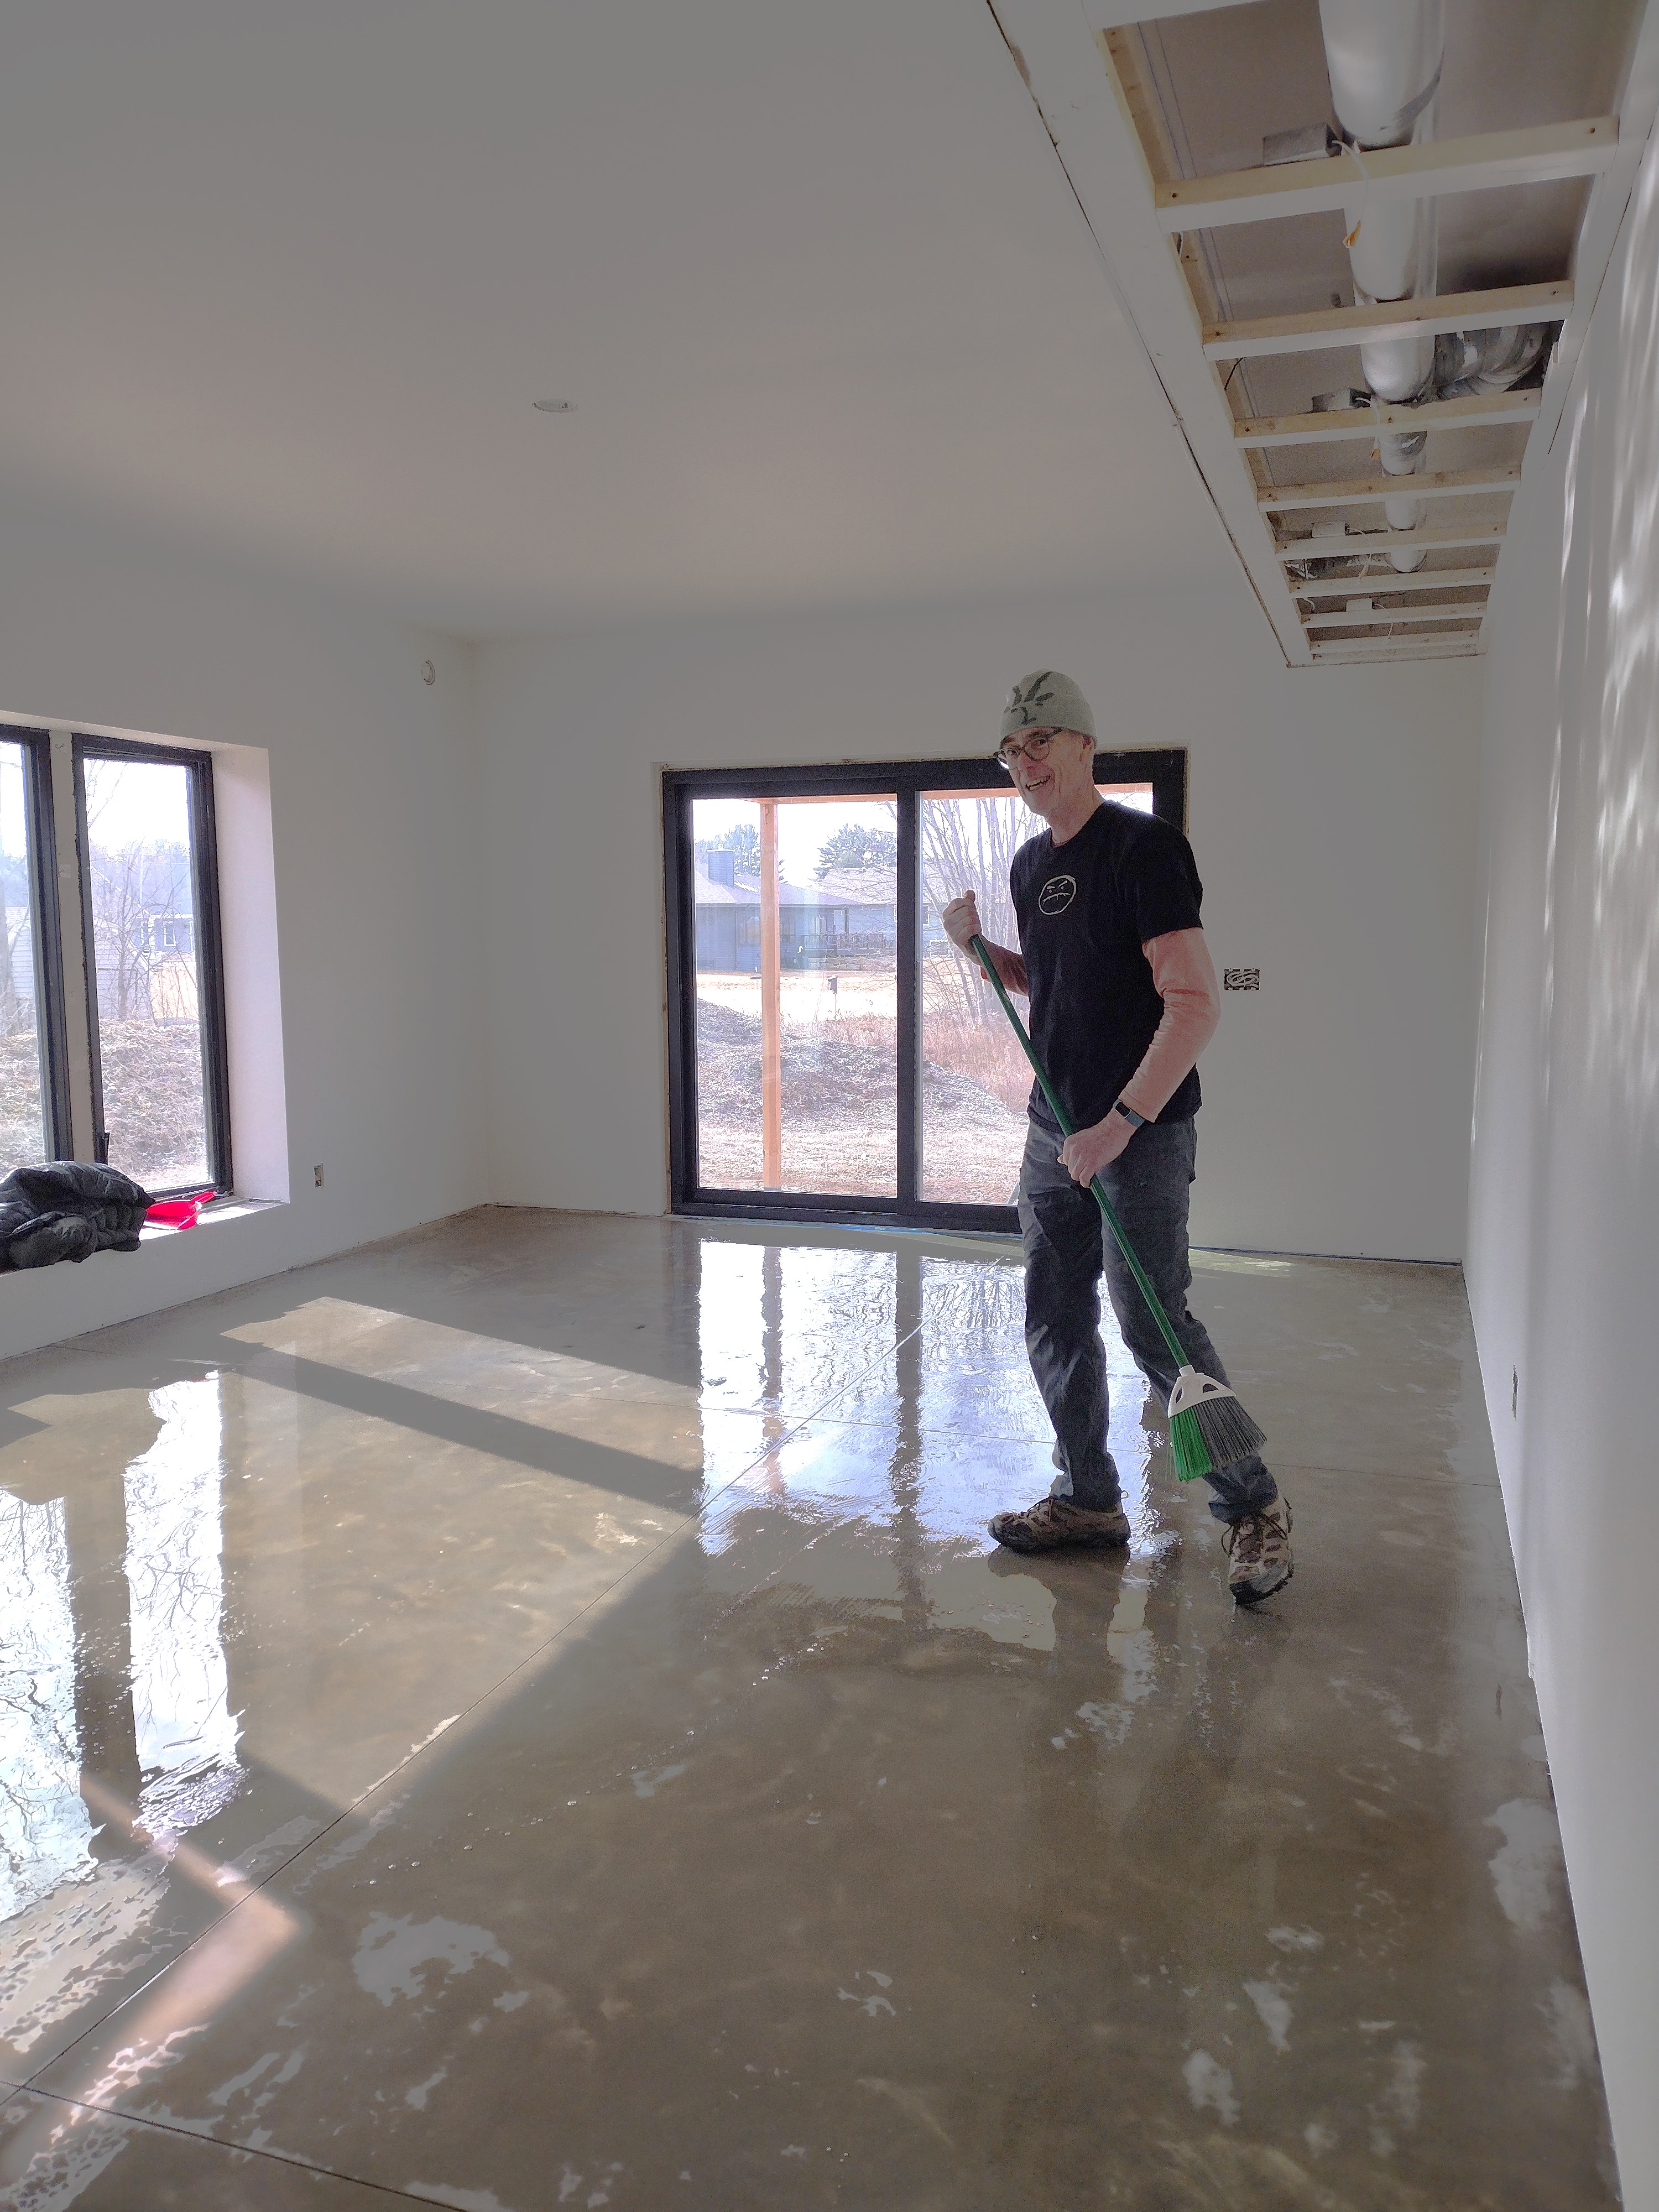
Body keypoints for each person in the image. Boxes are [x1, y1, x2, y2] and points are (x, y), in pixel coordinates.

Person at [941, 670, 1293, 1605]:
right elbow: (1055, 985)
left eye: (1041, 741)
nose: (1026, 762)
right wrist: (982, 953)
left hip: (1140, 1133)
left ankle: (1253, 1506)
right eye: (1011, 750)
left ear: (1085, 745)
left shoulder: (1146, 850)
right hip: (1052, 1129)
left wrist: (1118, 1124)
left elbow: (1194, 1003)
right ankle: (1089, 1500)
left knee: (1154, 1323)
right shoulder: (1029, 865)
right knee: (1055, 1313)